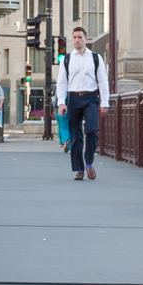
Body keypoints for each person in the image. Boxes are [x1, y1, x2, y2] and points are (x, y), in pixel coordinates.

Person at [55, 23, 110, 181]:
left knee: (92, 130)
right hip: (73, 98)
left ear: (86, 39)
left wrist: (104, 102)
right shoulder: (67, 59)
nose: (77, 40)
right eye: (74, 38)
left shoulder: (95, 58)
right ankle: (78, 169)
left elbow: (103, 81)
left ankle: (89, 163)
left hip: (91, 97)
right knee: (75, 135)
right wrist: (61, 102)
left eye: (80, 37)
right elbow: (61, 82)